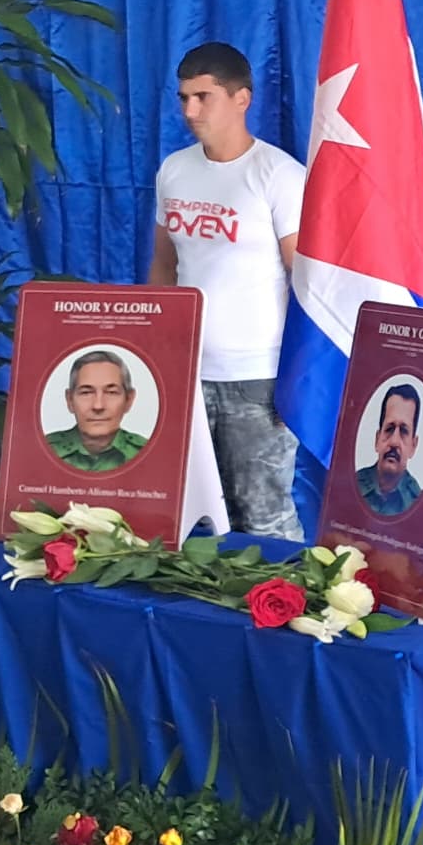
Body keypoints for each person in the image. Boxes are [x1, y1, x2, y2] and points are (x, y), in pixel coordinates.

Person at [150, 41, 306, 540]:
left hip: (257, 375)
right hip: (189, 371)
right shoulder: (174, 169)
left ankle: (285, 608)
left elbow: (304, 281)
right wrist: (158, 354)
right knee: (199, 518)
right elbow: (163, 264)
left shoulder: (279, 175)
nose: (190, 110)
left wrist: (297, 377)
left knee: (263, 516)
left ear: (242, 99)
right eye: (183, 98)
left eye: (203, 97)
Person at [45, 348, 149, 472]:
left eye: (111, 392)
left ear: (129, 399)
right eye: (86, 393)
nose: (98, 406)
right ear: (70, 400)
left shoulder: (149, 454)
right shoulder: (42, 451)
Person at [355, 383, 423, 515]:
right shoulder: (351, 487)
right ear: (377, 439)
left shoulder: (419, 508)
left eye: (404, 431)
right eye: (389, 429)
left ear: (413, 446)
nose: (394, 441)